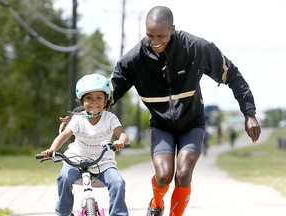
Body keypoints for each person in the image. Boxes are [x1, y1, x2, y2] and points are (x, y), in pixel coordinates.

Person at [60, 6, 261, 216]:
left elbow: (233, 75)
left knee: (183, 174)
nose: (155, 41)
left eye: (161, 36)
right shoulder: (134, 60)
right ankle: (156, 203)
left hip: (192, 123)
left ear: (172, 29)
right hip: (161, 126)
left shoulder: (196, 48)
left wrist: (249, 113)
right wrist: (77, 117)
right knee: (164, 176)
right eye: (150, 36)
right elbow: (104, 95)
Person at [41, 73, 129, 216]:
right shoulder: (78, 119)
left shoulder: (110, 118)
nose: (94, 101)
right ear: (82, 102)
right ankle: (63, 213)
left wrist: (120, 142)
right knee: (64, 178)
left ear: (106, 100)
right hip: (76, 159)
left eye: (99, 98)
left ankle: (118, 214)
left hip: (104, 162)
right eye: (89, 98)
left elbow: (122, 134)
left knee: (118, 183)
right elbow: (63, 136)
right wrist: (51, 150)